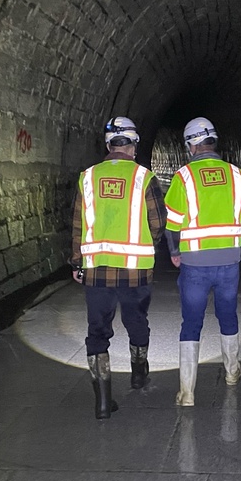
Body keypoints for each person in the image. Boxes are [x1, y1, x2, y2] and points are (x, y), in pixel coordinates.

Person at [164, 117, 241, 406]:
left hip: (194, 264)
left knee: (191, 322)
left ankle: (187, 391)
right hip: (229, 263)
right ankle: (232, 371)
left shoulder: (183, 177)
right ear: (212, 141)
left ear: (191, 145)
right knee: (227, 315)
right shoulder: (236, 175)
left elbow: (172, 225)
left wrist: (174, 252)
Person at [71, 116, 166, 420]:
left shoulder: (87, 178)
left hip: (97, 270)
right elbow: (157, 224)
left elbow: (78, 225)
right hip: (135, 270)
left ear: (108, 144)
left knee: (97, 333)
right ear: (133, 145)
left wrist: (77, 262)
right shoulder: (144, 178)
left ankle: (102, 402)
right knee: (136, 321)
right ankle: (138, 374)